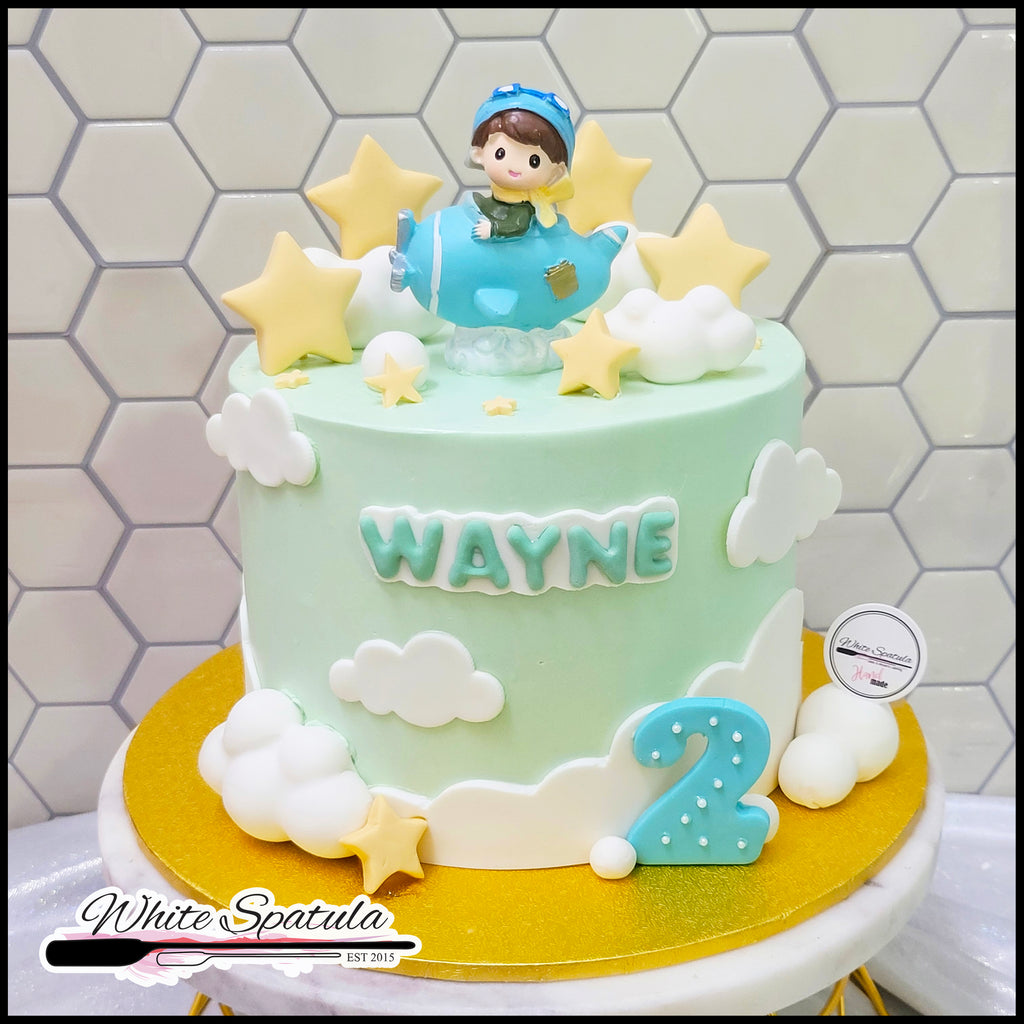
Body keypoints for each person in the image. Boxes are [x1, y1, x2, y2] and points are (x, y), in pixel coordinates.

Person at [468, 84, 576, 241]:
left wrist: (494, 229)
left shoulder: (522, 210)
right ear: (479, 154)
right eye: (500, 154)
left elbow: (518, 225)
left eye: (534, 161)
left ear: (556, 172)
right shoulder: (493, 199)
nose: (515, 167)